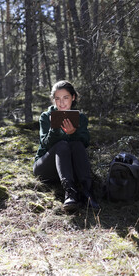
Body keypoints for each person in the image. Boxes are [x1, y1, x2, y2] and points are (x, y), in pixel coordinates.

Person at [33, 80, 100, 212]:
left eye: (65, 98)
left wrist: (73, 133)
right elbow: (45, 144)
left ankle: (88, 194)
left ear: (73, 97)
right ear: (53, 100)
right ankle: (70, 193)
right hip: (45, 167)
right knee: (62, 145)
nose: (61, 102)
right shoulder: (46, 117)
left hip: (69, 167)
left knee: (76, 144)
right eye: (57, 98)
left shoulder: (80, 118)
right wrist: (55, 129)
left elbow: (85, 142)